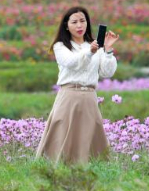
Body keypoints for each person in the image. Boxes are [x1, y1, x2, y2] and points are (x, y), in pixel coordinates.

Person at [35, 6, 120, 165]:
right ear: (66, 25)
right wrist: (90, 52)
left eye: (82, 21)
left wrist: (107, 50)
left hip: (89, 97)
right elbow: (71, 63)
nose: (79, 25)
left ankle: (91, 172)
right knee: (62, 136)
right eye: (74, 22)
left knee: (89, 137)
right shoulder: (60, 46)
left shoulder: (95, 45)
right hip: (69, 95)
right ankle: (55, 172)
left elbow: (107, 72)